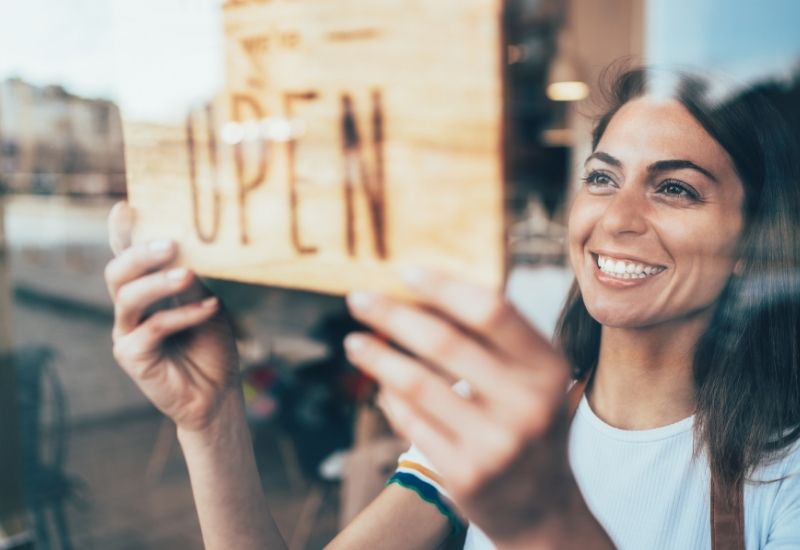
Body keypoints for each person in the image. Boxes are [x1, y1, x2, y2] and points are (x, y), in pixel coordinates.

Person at [104, 65, 800, 549]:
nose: (616, 218)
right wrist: (212, 417)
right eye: (601, 178)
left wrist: (541, 516)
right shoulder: (486, 418)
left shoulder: (785, 478)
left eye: (674, 189)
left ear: (753, 237)